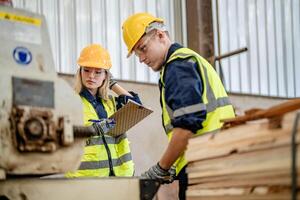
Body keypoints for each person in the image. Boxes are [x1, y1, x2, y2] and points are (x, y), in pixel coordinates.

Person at [122, 13, 235, 199]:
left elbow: (186, 127)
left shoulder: (177, 65)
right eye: (137, 54)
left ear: (160, 35)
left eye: (143, 48)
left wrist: (161, 168)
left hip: (203, 166)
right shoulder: (188, 60)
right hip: (216, 160)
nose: (141, 59)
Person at [65, 44, 141, 177]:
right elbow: (62, 133)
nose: (91, 76)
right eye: (86, 70)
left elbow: (137, 107)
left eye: (98, 72)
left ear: (106, 75)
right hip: (85, 178)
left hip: (119, 175)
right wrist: (94, 130)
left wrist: (112, 84)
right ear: (80, 72)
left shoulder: (110, 102)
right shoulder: (70, 101)